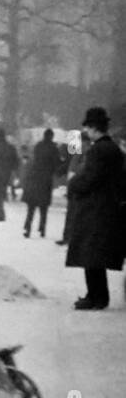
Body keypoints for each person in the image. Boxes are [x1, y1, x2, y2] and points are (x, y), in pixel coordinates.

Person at [65, 107, 126, 310]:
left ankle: (96, 297)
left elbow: (89, 176)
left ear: (93, 128)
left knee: (91, 254)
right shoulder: (113, 149)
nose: (85, 132)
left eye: (88, 127)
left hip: (96, 209)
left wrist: (73, 183)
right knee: (95, 255)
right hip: (106, 208)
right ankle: (98, 295)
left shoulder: (99, 150)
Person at [22, 129, 60, 239]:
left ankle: (28, 228)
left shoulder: (38, 146)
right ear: (52, 137)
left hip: (34, 178)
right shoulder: (53, 148)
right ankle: (42, 229)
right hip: (46, 180)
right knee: (44, 207)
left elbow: (34, 159)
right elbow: (56, 163)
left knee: (31, 207)